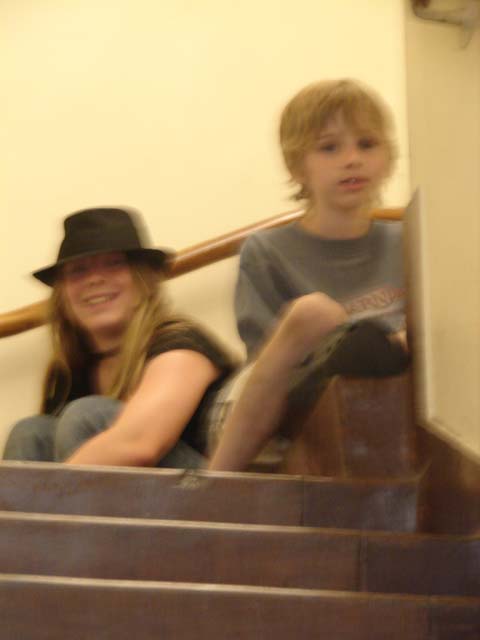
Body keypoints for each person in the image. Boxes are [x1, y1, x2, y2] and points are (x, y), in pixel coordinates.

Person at [208, 78, 409, 472]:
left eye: (367, 144)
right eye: (329, 148)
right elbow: (266, 367)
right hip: (280, 403)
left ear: (388, 158)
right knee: (314, 314)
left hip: (382, 398)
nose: (352, 159)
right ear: (296, 166)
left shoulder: (410, 240)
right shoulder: (265, 250)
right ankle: (216, 484)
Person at [3, 207, 234, 467]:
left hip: (210, 490)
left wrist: (51, 488)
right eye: (78, 270)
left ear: (142, 278)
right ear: (63, 294)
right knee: (31, 431)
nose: (95, 279)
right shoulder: (70, 370)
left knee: (88, 415)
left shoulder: (180, 345)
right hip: (125, 491)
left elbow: (141, 445)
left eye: (113, 264)